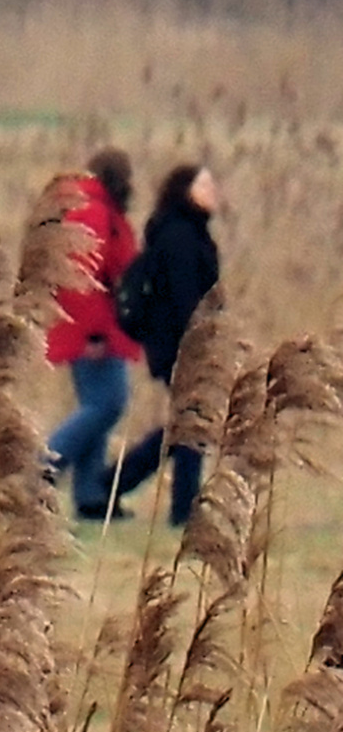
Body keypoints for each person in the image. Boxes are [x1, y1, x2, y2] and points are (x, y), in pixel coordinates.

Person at [108, 164, 221, 526]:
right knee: (192, 424)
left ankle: (115, 482)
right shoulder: (179, 236)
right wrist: (201, 344)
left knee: (184, 425)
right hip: (181, 347)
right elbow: (186, 300)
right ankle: (181, 509)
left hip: (180, 345)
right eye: (204, 184)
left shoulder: (187, 230)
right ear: (185, 190)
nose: (212, 189)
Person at [45, 148, 143, 521]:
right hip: (94, 329)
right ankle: (44, 468)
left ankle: (89, 497)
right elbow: (83, 280)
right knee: (108, 404)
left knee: (96, 407)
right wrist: (97, 333)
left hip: (92, 326)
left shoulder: (93, 208)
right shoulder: (95, 212)